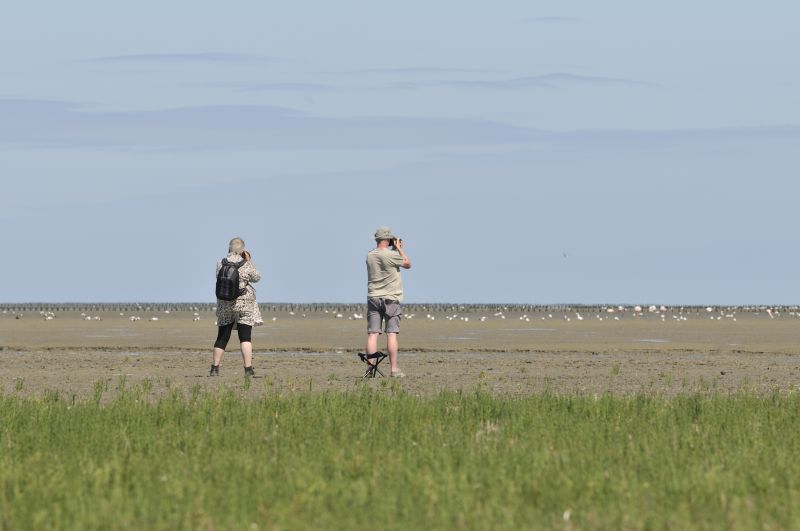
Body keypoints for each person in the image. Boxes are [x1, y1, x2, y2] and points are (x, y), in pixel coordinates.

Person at [210, 237, 263, 376]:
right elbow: (257, 277)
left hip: (225, 303)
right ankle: (248, 369)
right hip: (244, 304)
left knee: (222, 336)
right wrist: (248, 260)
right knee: (245, 337)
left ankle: (215, 368)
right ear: (242, 249)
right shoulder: (246, 264)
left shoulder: (220, 263)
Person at [365, 226, 411, 377]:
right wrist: (398, 248)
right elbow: (407, 264)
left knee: (372, 334)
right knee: (391, 334)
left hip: (373, 297)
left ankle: (370, 369)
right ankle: (394, 369)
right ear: (388, 239)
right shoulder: (391, 255)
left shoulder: (369, 256)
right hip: (391, 298)